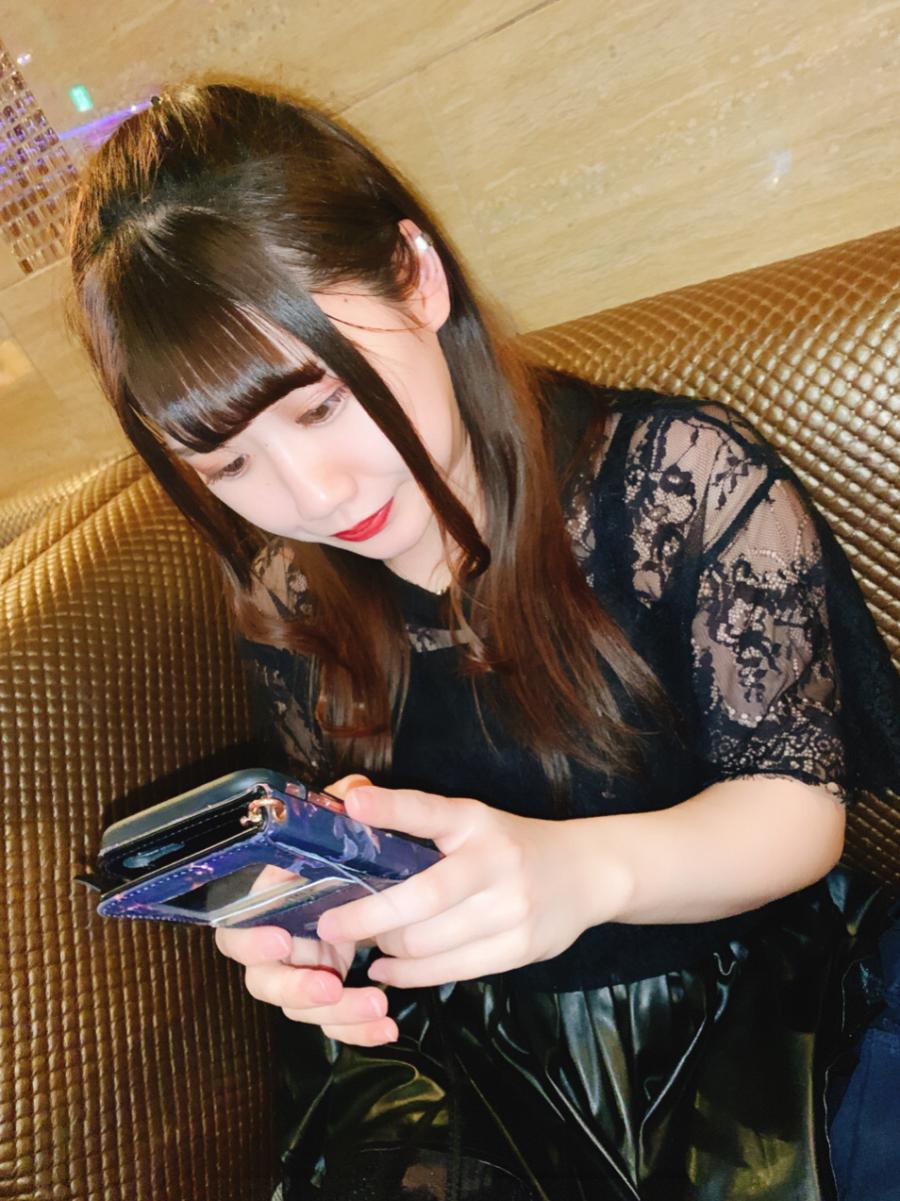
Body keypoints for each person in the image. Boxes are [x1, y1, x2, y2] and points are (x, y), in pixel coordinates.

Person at [66, 80, 900, 1200]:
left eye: (321, 404)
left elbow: (798, 808)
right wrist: (325, 929)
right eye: (231, 463)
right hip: (484, 1055)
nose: (312, 492)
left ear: (416, 275)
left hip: (756, 1007)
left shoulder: (674, 483)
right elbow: (359, 829)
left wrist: (580, 871)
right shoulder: (288, 592)